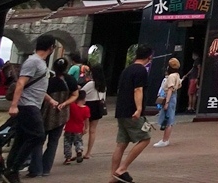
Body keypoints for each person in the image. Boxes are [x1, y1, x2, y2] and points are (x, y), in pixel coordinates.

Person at [7, 33, 55, 181]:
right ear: (51, 47)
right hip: (28, 105)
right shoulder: (33, 61)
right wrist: (14, 105)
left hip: (32, 104)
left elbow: (37, 87)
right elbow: (21, 83)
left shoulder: (40, 63)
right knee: (38, 135)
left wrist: (50, 100)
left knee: (21, 137)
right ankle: (14, 168)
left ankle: (10, 168)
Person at [112, 43, 154, 183]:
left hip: (121, 111)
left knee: (121, 144)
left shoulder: (127, 70)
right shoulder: (141, 71)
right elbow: (138, 90)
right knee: (145, 138)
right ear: (149, 57)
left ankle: (113, 177)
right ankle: (122, 169)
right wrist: (139, 108)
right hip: (132, 112)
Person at [41, 56, 79, 173]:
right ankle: (46, 168)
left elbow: (41, 93)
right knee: (53, 142)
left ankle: (36, 167)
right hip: (61, 114)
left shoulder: (48, 79)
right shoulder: (71, 80)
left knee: (39, 140)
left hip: (46, 112)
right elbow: (75, 95)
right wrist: (65, 103)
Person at [153, 57, 183, 147]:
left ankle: (165, 140)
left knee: (168, 118)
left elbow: (170, 89)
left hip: (169, 97)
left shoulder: (171, 76)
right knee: (169, 117)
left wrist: (166, 102)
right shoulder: (177, 75)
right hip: (174, 97)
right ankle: (165, 139)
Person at [78, 64, 104, 161]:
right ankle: (88, 152)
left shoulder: (91, 84)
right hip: (98, 106)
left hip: (88, 105)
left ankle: (78, 149)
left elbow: (82, 92)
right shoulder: (103, 85)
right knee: (93, 131)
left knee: (82, 128)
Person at [62, 97, 89, 165]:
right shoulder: (86, 109)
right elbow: (86, 120)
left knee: (67, 142)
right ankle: (79, 151)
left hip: (69, 128)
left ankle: (68, 158)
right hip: (79, 129)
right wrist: (86, 128)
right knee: (78, 141)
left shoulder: (72, 105)